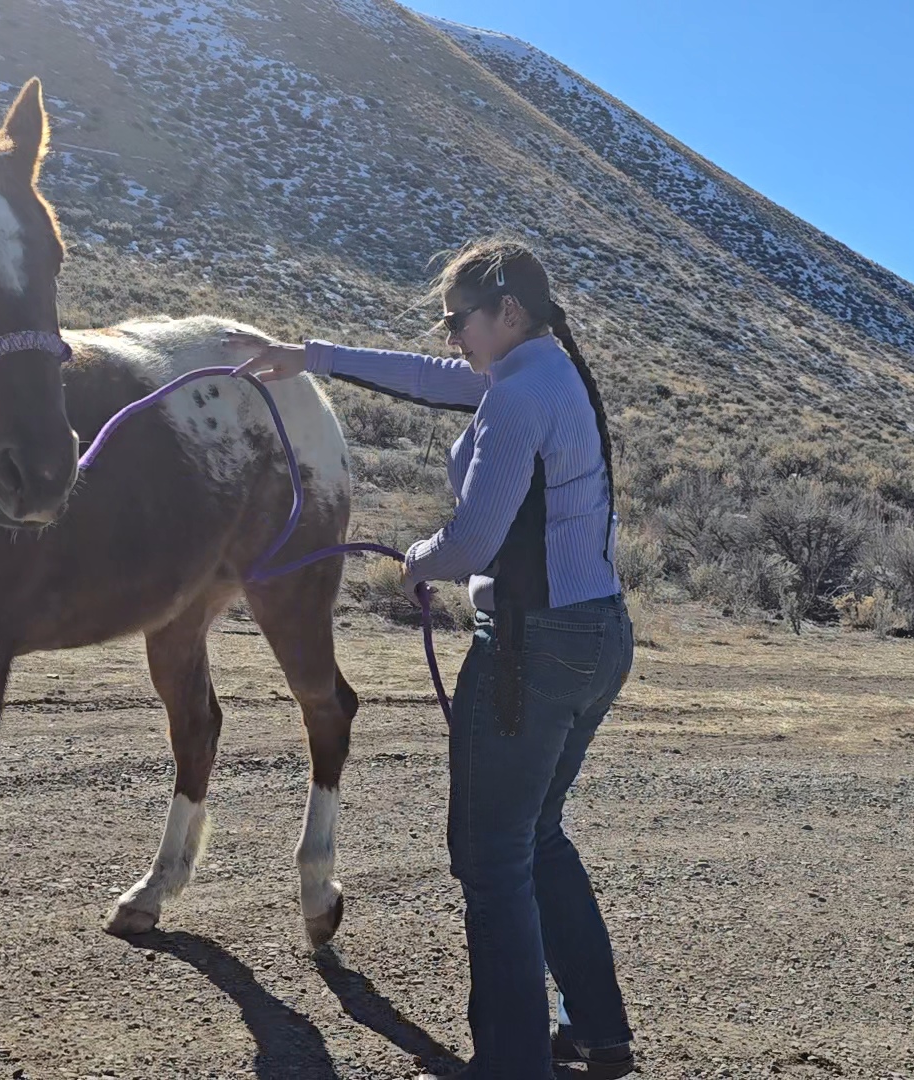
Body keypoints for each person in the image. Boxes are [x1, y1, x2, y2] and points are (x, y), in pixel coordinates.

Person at [231, 238, 637, 1079]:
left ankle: (514, 1062)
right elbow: (429, 378)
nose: (451, 336)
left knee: (491, 858)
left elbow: (475, 539)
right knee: (538, 836)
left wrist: (420, 558)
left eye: (458, 320)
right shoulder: (538, 370)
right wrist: (313, 359)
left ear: (508, 315)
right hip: (597, 636)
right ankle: (594, 1029)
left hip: (531, 648)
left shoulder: (520, 395)